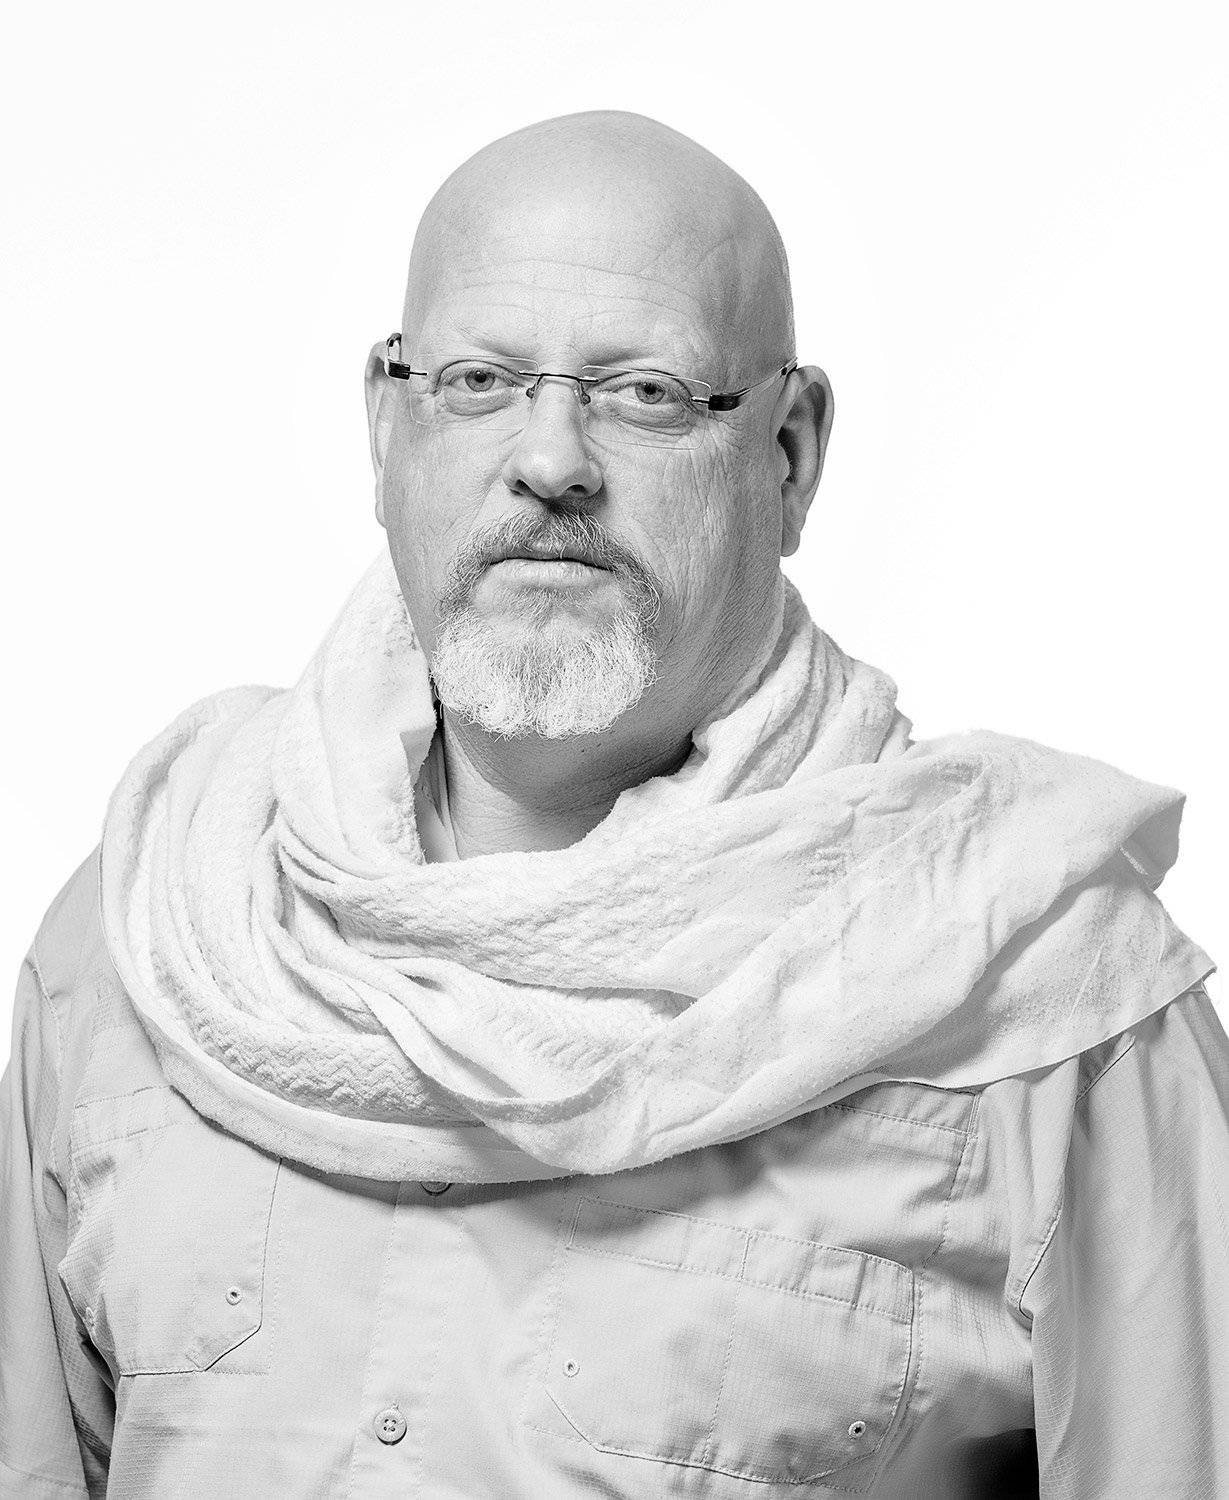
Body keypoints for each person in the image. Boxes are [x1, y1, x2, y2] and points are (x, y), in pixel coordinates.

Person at [1, 110, 1224, 1500]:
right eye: (478, 381)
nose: (551, 459)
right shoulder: (151, 930)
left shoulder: (1045, 1009)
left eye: (645, 393)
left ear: (789, 453)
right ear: (385, 425)